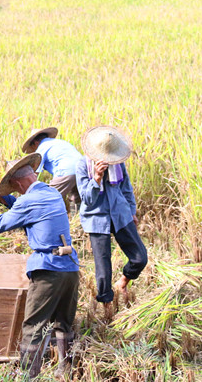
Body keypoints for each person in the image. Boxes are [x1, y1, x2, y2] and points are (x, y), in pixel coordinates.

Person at [0, 153, 79, 380]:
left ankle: (27, 376)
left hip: (49, 270)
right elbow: (27, 209)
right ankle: (66, 372)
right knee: (63, 324)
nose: (15, 192)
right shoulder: (50, 192)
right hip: (70, 267)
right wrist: (4, 200)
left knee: (34, 325)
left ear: (19, 183)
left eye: (13, 188)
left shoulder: (27, 201)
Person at [75, 126, 147, 318]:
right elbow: (87, 199)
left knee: (140, 257)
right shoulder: (83, 166)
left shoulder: (118, 164)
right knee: (103, 269)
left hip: (120, 214)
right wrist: (96, 178)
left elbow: (126, 188)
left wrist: (132, 211)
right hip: (97, 218)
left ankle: (123, 282)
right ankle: (107, 309)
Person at [21, 127, 83, 215]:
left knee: (49, 198)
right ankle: (77, 220)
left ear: (35, 143)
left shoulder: (42, 146)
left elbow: (35, 173)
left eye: (33, 147)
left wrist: (28, 192)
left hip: (66, 171)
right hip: (82, 170)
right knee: (75, 198)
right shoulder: (60, 142)